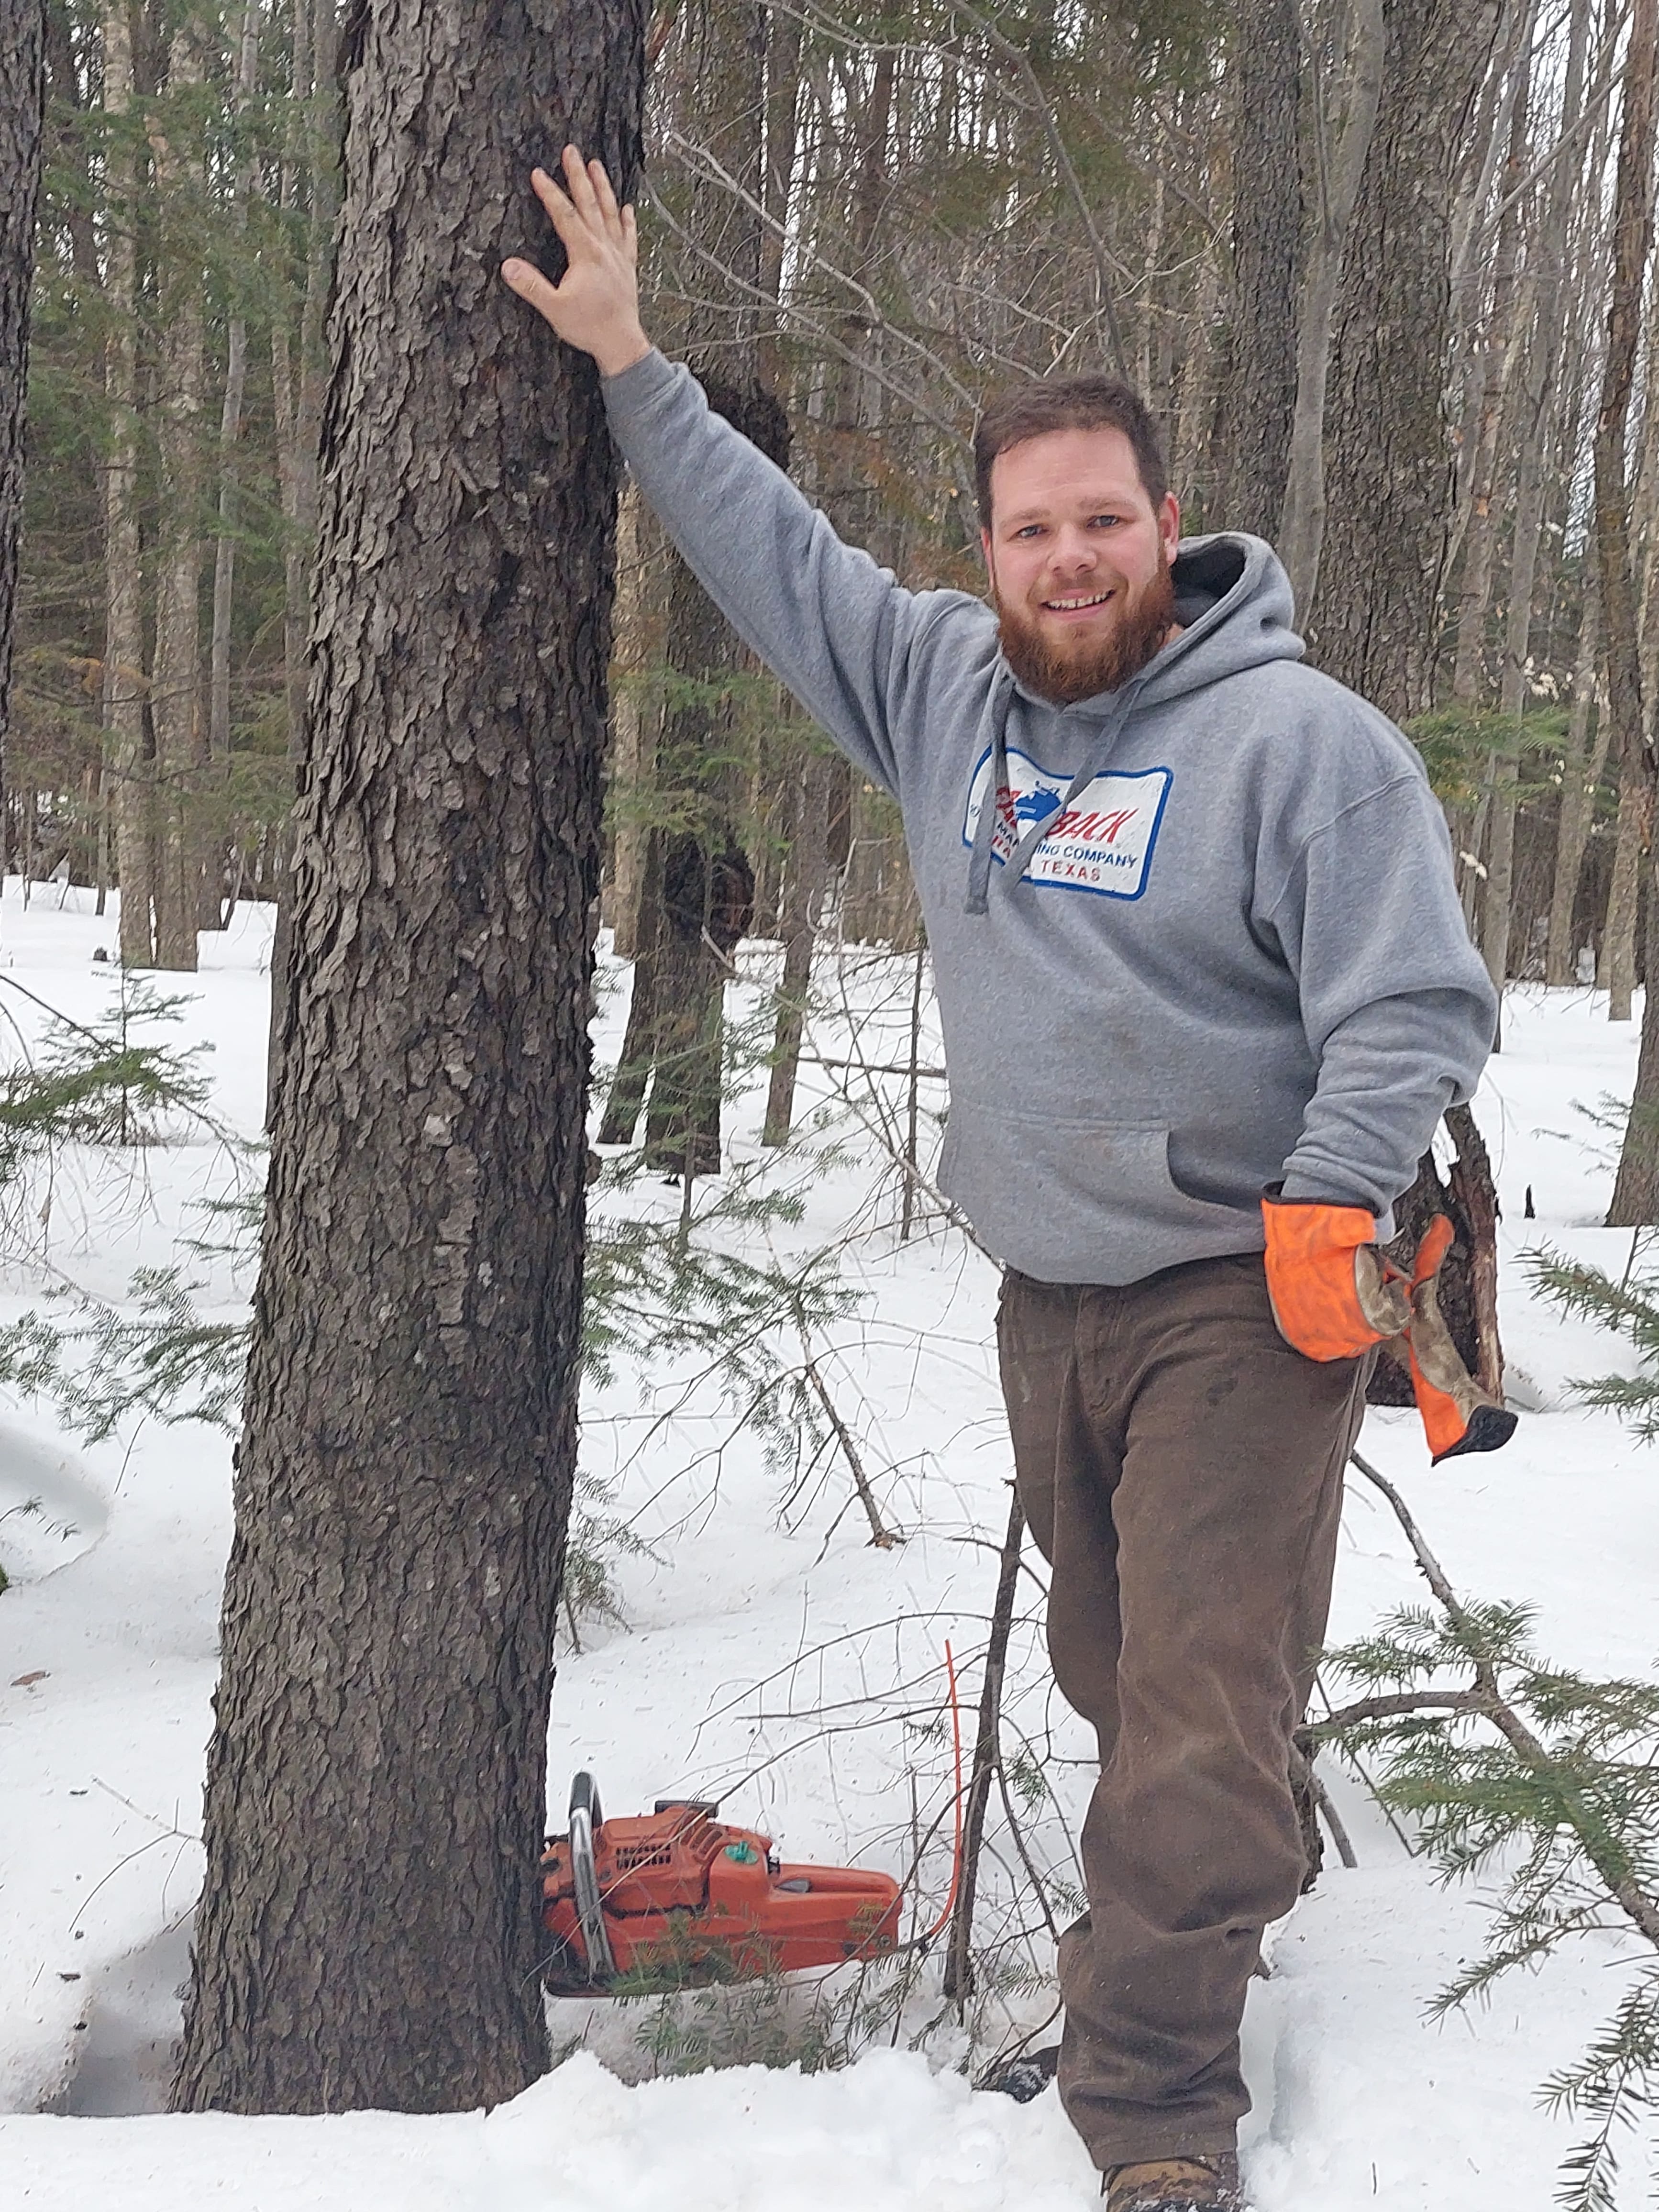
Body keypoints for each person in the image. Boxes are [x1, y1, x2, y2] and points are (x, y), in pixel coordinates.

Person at [502, 149, 1502, 2212]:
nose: (1068, 561)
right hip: (1048, 1297)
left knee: (1196, 1709)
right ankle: (1215, 1896)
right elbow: (774, 558)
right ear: (988, 549)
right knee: (1123, 1674)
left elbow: (1416, 1001)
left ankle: (1155, 2113)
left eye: (1102, 522)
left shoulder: (1306, 747)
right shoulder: (942, 693)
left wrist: (1332, 1192)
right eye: (1031, 529)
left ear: (1167, 525)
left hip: (1243, 1294)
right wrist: (627, 365)